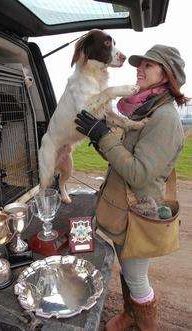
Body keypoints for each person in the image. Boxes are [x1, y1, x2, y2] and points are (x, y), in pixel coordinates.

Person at [75, 44, 188, 330]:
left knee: (137, 278)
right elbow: (123, 158)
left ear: (166, 75)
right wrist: (99, 137)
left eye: (148, 65)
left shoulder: (165, 118)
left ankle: (145, 324)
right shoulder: (144, 109)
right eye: (140, 64)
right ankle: (128, 316)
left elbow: (139, 174)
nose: (139, 68)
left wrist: (104, 137)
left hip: (139, 212)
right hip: (124, 210)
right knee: (126, 270)